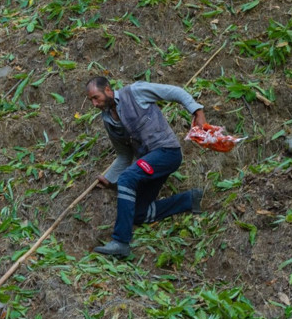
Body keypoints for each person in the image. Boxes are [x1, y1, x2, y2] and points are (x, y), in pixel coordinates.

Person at [86, 76, 206, 257]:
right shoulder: (108, 120)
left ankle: (120, 241)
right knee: (139, 214)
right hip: (149, 162)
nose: (94, 104)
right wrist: (110, 179)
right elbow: (124, 156)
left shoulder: (135, 92)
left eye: (96, 97)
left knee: (127, 178)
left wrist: (197, 111)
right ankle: (190, 200)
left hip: (167, 152)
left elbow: (174, 92)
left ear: (108, 90)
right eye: (91, 100)